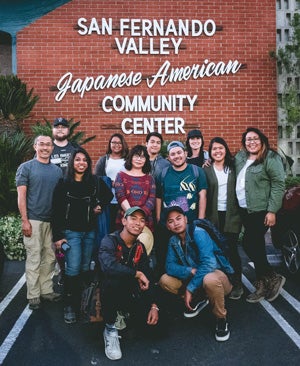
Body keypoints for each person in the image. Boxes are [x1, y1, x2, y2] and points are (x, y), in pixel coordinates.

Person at [52, 147, 113, 324]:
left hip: (89, 231)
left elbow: (108, 196)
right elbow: (55, 212)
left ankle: (83, 302)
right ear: (72, 162)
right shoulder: (63, 184)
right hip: (71, 232)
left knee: (86, 267)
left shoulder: (94, 182)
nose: (81, 163)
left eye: (84, 160)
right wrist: (57, 237)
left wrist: (98, 204)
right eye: (78, 160)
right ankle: (69, 305)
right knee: (73, 267)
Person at [159, 206, 233, 342]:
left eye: (178, 218)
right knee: (165, 280)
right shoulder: (173, 241)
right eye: (171, 221)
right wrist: (189, 271)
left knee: (209, 279)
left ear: (186, 219)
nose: (176, 223)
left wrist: (190, 288)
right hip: (198, 278)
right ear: (167, 226)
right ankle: (200, 297)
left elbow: (209, 264)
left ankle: (221, 319)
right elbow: (169, 266)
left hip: (219, 278)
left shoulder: (198, 233)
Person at [99, 206, 159, 361]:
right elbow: (108, 267)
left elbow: (148, 275)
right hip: (108, 291)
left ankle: (126, 314)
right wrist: (136, 273)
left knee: (158, 329)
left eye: (142, 220)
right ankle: (110, 328)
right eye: (133, 218)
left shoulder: (139, 246)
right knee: (113, 280)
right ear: (124, 221)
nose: (138, 223)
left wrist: (154, 305)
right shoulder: (109, 240)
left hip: (128, 291)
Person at [235, 127, 286, 303]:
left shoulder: (271, 158)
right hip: (245, 210)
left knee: (250, 243)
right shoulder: (241, 157)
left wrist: (272, 211)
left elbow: (279, 184)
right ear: (244, 142)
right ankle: (264, 283)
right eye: (248, 139)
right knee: (254, 245)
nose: (252, 142)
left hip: (261, 210)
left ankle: (270, 277)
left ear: (262, 140)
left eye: (255, 138)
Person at [16, 135, 63, 310]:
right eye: (41, 144)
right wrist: (25, 220)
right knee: (34, 258)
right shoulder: (26, 168)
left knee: (50, 258)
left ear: (52, 148)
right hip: (33, 220)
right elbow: (21, 196)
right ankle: (33, 295)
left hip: (52, 222)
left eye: (48, 145)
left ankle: (46, 290)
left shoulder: (57, 171)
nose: (45, 147)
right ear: (35, 146)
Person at [155, 141, 207, 275]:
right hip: (169, 224)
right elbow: (159, 197)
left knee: (193, 256)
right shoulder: (163, 174)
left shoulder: (197, 171)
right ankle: (169, 287)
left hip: (191, 222)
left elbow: (202, 196)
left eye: (179, 152)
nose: (177, 156)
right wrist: (159, 218)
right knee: (167, 257)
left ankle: (195, 287)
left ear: (185, 153)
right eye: (173, 154)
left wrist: (200, 221)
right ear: (168, 157)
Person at [204, 137, 243, 300]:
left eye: (220, 148)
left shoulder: (234, 167)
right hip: (214, 215)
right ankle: (221, 283)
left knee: (232, 249)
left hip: (231, 214)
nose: (217, 151)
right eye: (214, 149)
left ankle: (237, 283)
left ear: (225, 149)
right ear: (210, 153)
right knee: (216, 251)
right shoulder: (206, 169)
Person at [50, 117, 78, 286]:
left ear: (68, 130)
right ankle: (61, 270)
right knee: (56, 241)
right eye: (57, 127)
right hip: (52, 201)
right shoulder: (47, 148)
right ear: (53, 130)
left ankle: (71, 271)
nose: (60, 129)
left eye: (63, 127)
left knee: (70, 239)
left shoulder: (75, 148)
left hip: (73, 202)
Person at [115, 145, 156, 233]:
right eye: (136, 156)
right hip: (125, 219)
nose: (139, 159)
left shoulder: (150, 179)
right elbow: (120, 196)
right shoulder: (121, 176)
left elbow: (152, 199)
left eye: (142, 157)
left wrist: (140, 217)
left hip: (145, 221)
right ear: (131, 158)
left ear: (146, 160)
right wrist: (131, 214)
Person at [94, 133, 129, 232]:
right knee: (108, 229)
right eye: (113, 142)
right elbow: (97, 179)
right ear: (110, 144)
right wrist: (110, 182)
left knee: (122, 228)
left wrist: (120, 183)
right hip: (108, 201)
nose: (116, 145)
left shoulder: (128, 160)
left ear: (123, 144)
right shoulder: (104, 160)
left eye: (119, 142)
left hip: (124, 200)